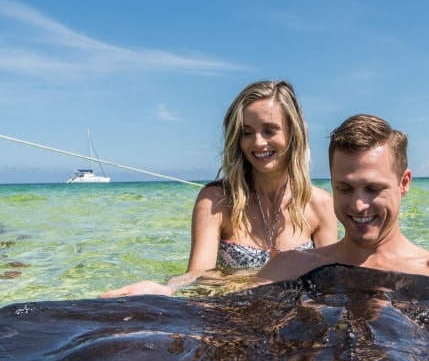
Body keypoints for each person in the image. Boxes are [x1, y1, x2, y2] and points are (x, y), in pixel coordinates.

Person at [102, 80, 337, 297]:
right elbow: (198, 275)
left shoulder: (321, 204)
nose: (257, 142)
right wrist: (165, 289)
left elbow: (329, 284)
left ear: (293, 133)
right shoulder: (215, 200)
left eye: (269, 130)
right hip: (233, 319)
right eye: (246, 132)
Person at [253, 114, 429, 287]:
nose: (359, 205)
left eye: (373, 189)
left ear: (404, 182)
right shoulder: (287, 269)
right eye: (344, 188)